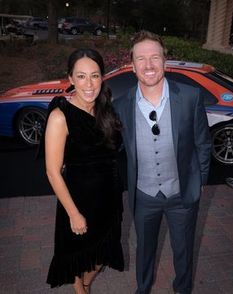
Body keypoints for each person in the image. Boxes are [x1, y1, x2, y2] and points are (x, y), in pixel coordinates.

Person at [113, 30, 212, 294]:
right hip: (144, 195)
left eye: (155, 57)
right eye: (141, 59)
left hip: (182, 193)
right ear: (132, 66)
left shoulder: (190, 96)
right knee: (144, 249)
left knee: (183, 250)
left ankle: (182, 289)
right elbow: (112, 146)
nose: (149, 65)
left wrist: (199, 181)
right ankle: (142, 289)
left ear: (164, 61)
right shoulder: (121, 104)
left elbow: (203, 142)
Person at [44, 48, 124, 293]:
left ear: (102, 77)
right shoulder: (60, 116)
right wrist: (73, 214)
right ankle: (80, 287)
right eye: (81, 76)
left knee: (101, 256)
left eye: (95, 75)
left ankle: (85, 282)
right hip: (79, 203)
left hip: (109, 200)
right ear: (70, 78)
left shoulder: (105, 109)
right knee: (78, 255)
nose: (89, 84)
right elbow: (52, 171)